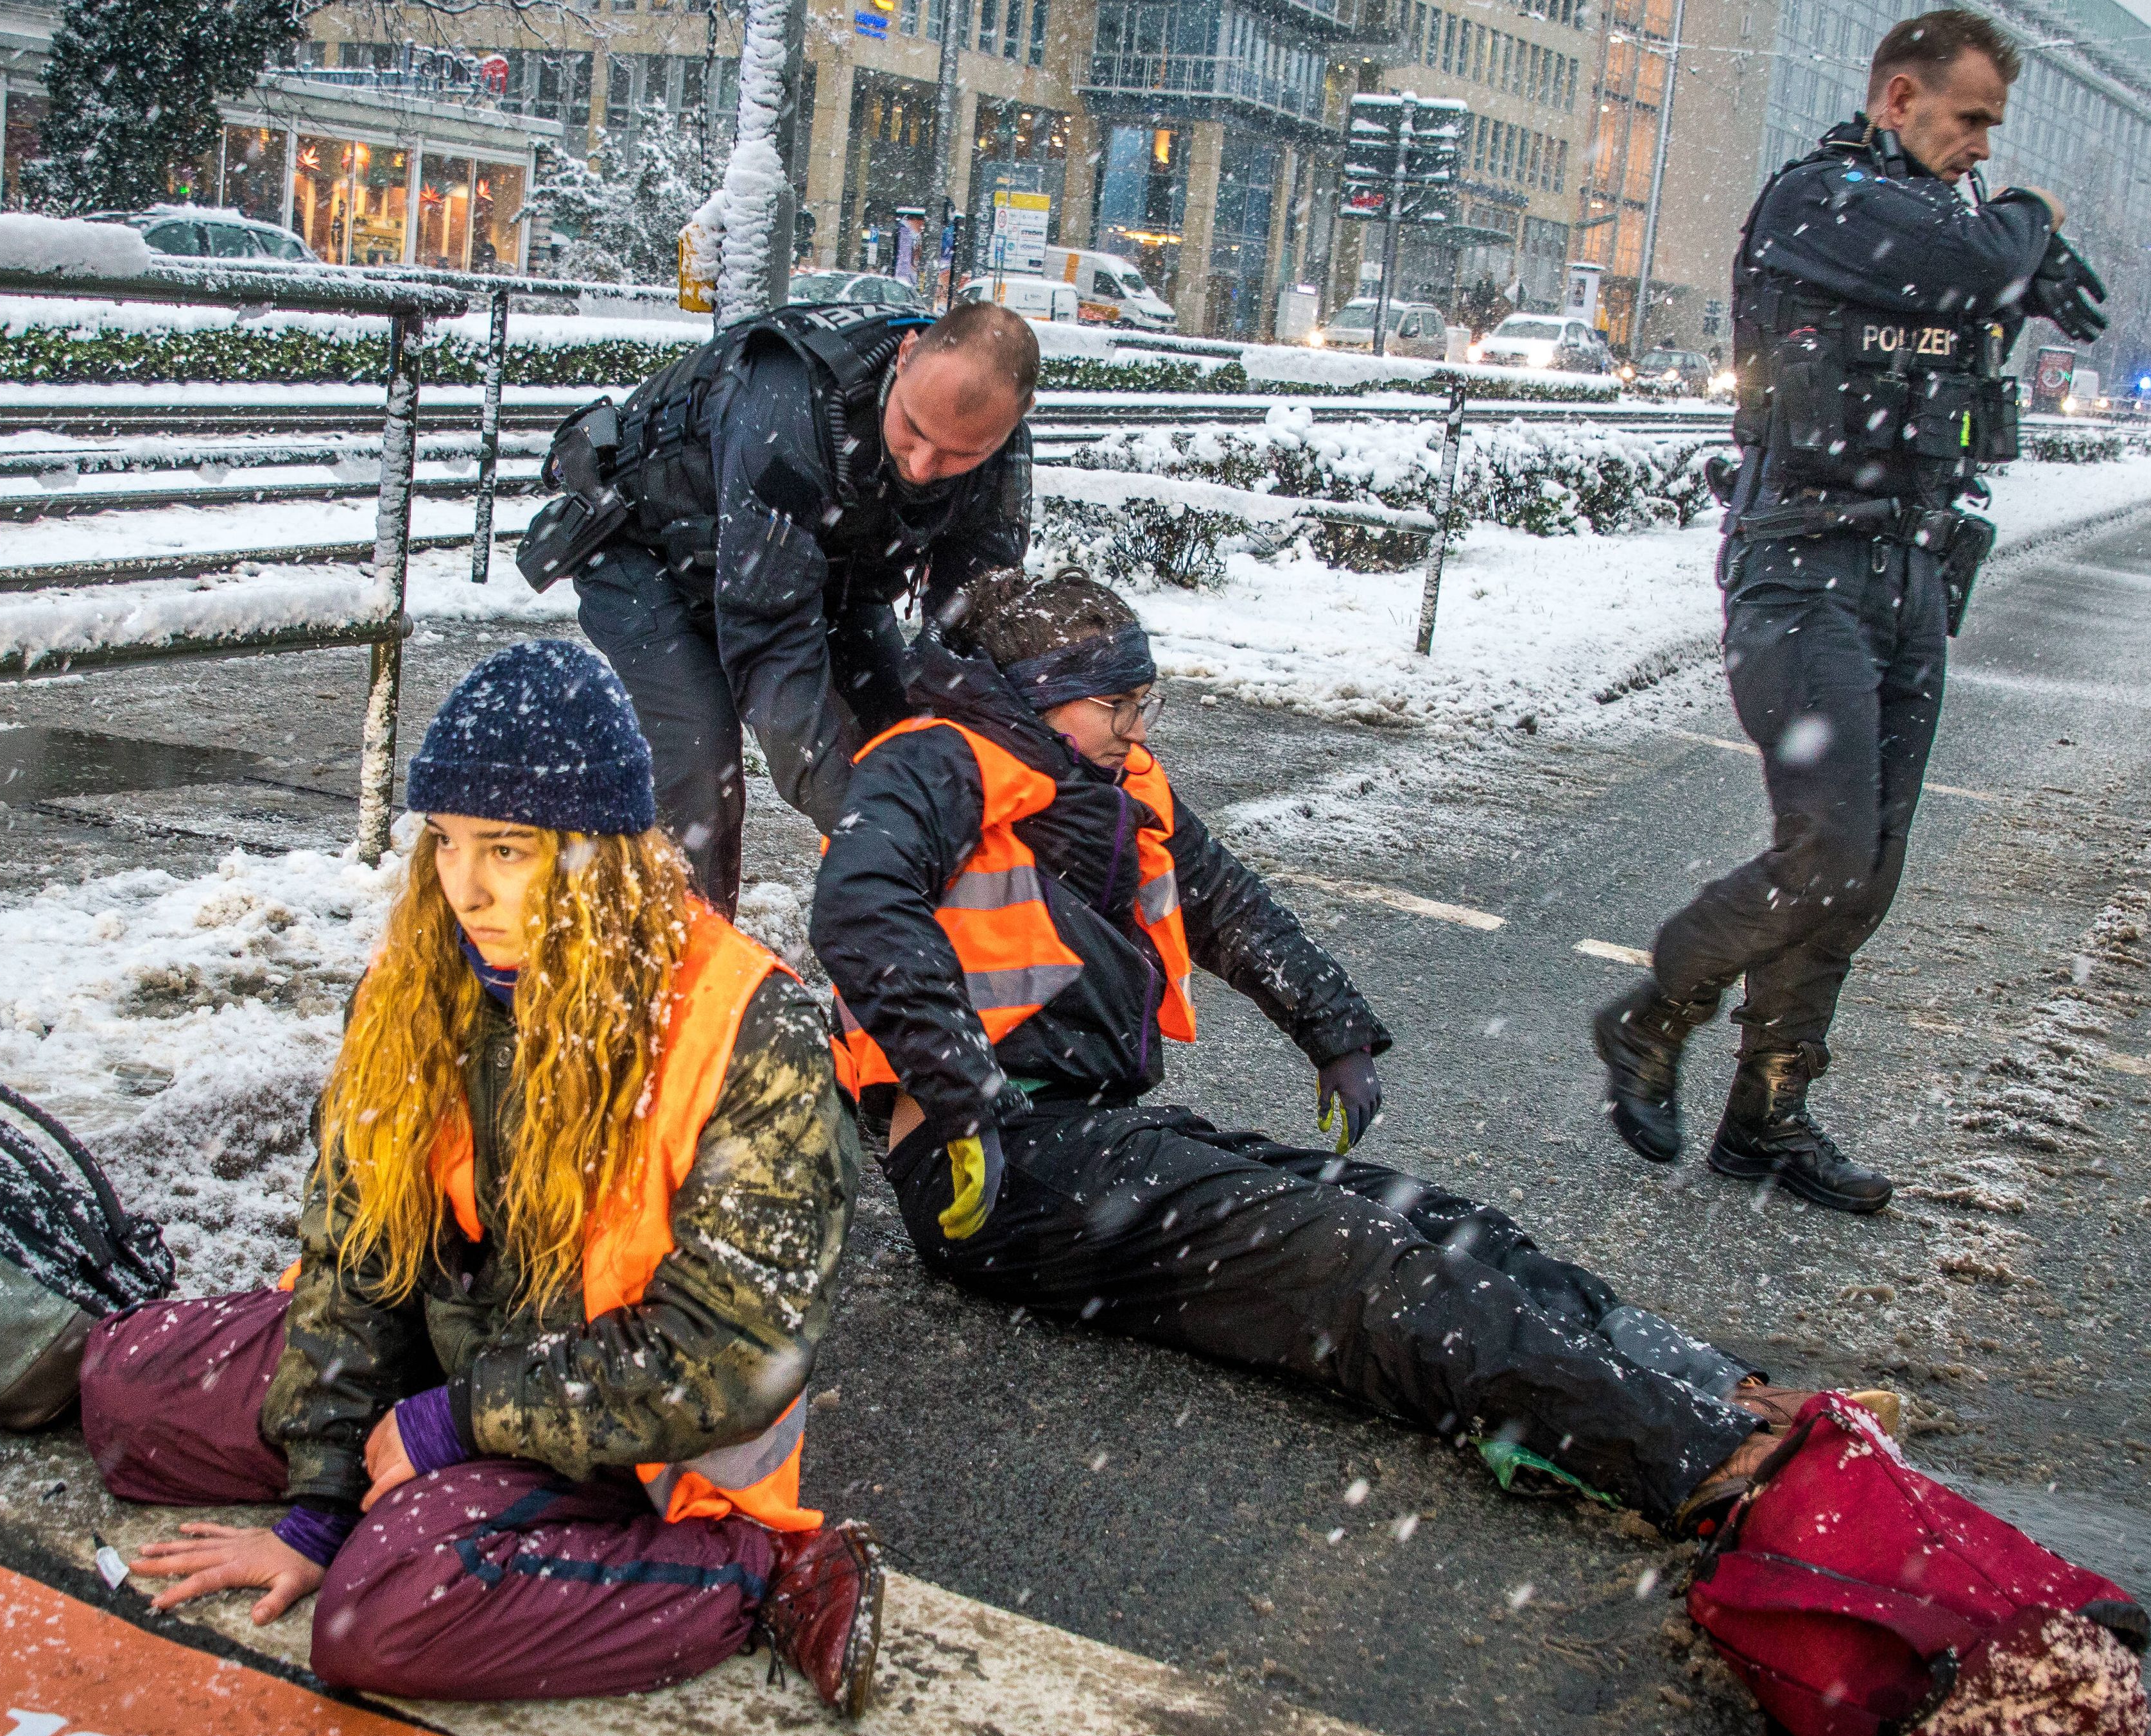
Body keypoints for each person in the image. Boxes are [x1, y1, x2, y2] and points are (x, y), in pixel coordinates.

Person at [809, 568, 1889, 1533]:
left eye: (1146, 702)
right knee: (1360, 1264)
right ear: (1037, 698)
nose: (1137, 728)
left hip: (1089, 1132)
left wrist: (1333, 1029)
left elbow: (1224, 899)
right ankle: (1693, 1458)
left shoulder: (1118, 781)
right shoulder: (935, 763)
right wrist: (957, 1097)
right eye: (1117, 705)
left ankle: (1710, 1390)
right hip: (990, 1172)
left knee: (1441, 1223)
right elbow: (863, 907)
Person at [73, 641, 886, 1713]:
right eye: (447, 843)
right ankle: (414, 1494)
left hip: (638, 1443)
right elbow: (357, 1249)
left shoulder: (751, 1026)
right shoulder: (419, 982)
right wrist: (320, 1501)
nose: (466, 887)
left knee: (380, 1620)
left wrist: (460, 1426)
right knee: (124, 1388)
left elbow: (737, 1355)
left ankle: (746, 1575)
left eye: (508, 848)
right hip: (453, 1363)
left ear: (598, 852)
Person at [1592, 8, 2107, 1214]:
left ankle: (1769, 1117)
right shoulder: (1819, 202)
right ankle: (1656, 1009)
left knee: (1866, 873)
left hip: (1913, 575)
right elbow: (1983, 262)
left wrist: (2023, 270)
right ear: (1898, 100)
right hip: (1802, 569)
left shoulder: (1942, 228)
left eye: (1993, 127)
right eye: (1969, 118)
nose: (1982, 144)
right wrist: (2033, 233)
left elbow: (1987, 280)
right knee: (1823, 853)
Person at [521, 296, 1039, 913]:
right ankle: (682, 968)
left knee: (910, 737)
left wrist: (1024, 779)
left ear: (1018, 419)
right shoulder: (791, 407)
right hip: (648, 554)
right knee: (699, 757)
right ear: (905, 356)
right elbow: (770, 642)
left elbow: (976, 635)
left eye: (961, 454)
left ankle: (931, 947)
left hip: (820, 573)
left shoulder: (1000, 452)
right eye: (915, 429)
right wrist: (864, 823)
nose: (926, 467)